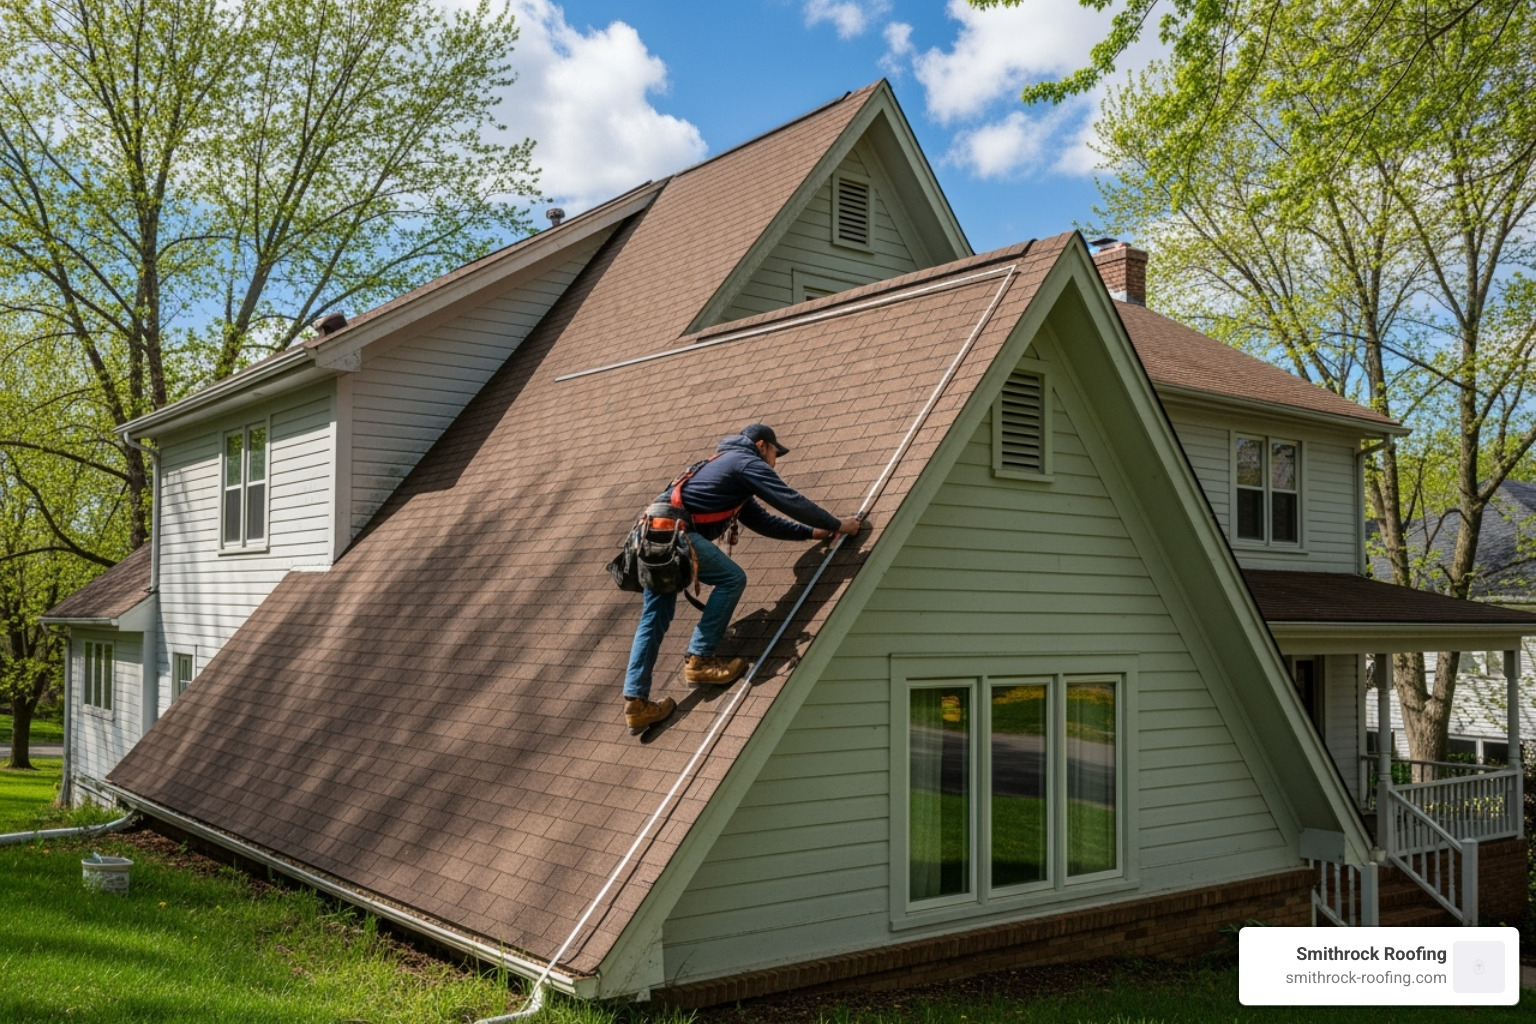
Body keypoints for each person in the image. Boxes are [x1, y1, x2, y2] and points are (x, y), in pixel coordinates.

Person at [623, 423, 861, 733]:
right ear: (762, 445)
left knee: (653, 618)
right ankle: (700, 659)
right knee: (732, 578)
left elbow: (763, 521)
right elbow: (789, 500)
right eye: (776, 452)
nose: (776, 459)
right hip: (675, 535)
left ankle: (636, 703)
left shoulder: (724, 466)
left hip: (650, 537)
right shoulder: (745, 462)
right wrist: (839, 524)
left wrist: (812, 532)